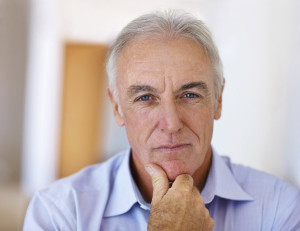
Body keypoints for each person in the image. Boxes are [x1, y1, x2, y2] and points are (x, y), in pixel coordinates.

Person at [23, 10, 300, 231]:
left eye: (190, 94)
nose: (171, 123)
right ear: (117, 107)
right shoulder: (58, 214)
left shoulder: (279, 208)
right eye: (145, 97)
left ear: (218, 100)